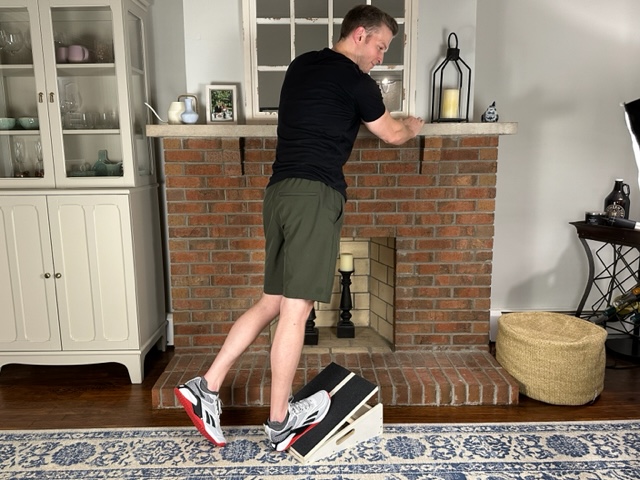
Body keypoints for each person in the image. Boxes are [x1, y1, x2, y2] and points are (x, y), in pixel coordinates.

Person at [175, 4, 424, 452]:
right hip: (315, 196)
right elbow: (390, 133)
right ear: (361, 35)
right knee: (297, 311)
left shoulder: (300, 65)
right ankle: (279, 422)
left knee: (272, 301)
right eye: (381, 47)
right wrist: (414, 124)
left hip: (279, 193)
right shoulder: (357, 81)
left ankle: (206, 386)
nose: (381, 58)